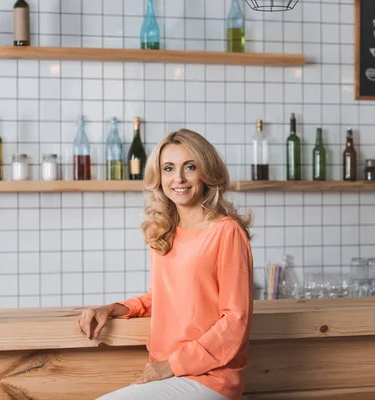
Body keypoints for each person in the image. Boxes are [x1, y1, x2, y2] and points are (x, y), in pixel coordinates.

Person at [76, 129, 253, 400]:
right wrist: (114, 308)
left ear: (206, 172)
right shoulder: (164, 231)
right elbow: (164, 297)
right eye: (168, 168)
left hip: (210, 378)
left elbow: (235, 321)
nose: (178, 179)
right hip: (166, 370)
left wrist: (172, 365)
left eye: (189, 167)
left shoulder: (226, 232)